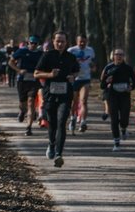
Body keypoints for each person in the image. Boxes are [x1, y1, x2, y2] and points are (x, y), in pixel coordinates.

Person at [35, 31, 80, 168]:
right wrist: (50, 75)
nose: (60, 44)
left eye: (63, 41)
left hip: (65, 95)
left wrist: (73, 77)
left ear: (66, 43)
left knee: (61, 122)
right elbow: (36, 73)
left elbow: (76, 71)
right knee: (52, 123)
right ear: (53, 42)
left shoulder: (71, 57)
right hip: (50, 95)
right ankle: (51, 144)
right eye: (58, 41)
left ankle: (59, 154)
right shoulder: (47, 56)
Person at [100, 48, 135, 151]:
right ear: (113, 56)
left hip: (125, 95)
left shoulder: (128, 68)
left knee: (124, 118)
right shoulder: (108, 68)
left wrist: (131, 87)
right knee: (114, 119)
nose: (119, 56)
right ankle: (116, 143)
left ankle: (124, 128)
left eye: (121, 55)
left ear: (123, 56)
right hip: (112, 95)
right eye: (117, 54)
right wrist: (106, 81)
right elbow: (102, 85)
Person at [9, 35, 44, 136]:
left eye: (35, 43)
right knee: (22, 103)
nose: (33, 45)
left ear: (38, 44)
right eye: (31, 43)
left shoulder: (41, 54)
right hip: (22, 81)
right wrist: (19, 70)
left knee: (31, 102)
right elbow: (10, 62)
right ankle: (22, 111)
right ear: (28, 43)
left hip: (34, 81)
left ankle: (29, 127)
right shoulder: (22, 51)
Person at [67, 35, 96, 132]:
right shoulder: (71, 50)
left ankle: (83, 122)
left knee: (83, 101)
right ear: (77, 41)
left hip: (85, 78)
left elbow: (92, 62)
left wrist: (93, 66)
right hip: (74, 79)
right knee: (74, 101)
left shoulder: (90, 50)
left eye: (84, 41)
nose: (82, 43)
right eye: (80, 41)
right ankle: (73, 119)